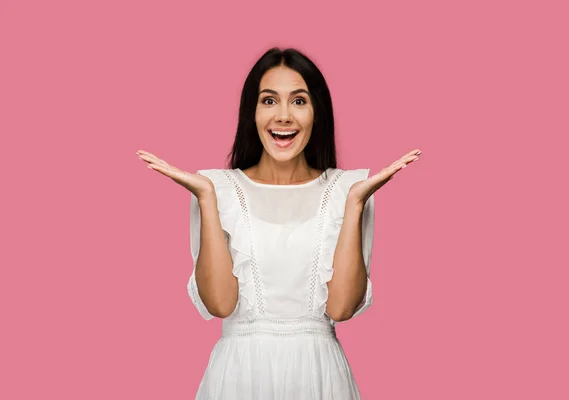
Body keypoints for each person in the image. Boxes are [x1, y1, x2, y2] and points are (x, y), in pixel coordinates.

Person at [137, 47, 421, 399]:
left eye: (299, 101)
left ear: (317, 112)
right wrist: (208, 200)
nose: (284, 116)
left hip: (319, 376)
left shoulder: (351, 190)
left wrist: (355, 203)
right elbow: (221, 305)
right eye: (269, 101)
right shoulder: (215, 189)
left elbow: (341, 308)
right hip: (239, 376)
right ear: (251, 113)